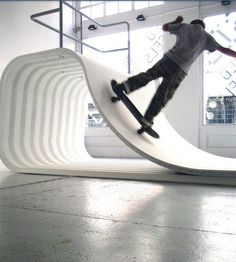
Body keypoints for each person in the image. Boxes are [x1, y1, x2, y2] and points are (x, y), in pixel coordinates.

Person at [112, 15, 236, 131]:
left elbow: (164, 28)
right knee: (163, 94)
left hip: (168, 60)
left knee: (148, 75)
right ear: (202, 26)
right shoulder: (207, 37)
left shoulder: (185, 26)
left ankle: (124, 86)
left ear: (192, 23)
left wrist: (177, 22)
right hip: (180, 69)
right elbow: (224, 49)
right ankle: (147, 120)